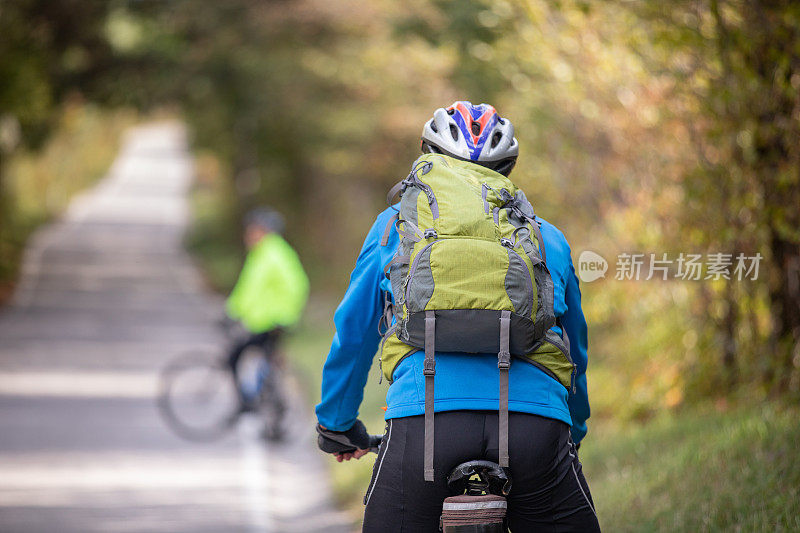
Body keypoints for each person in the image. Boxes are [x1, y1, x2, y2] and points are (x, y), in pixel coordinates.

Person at [315, 101, 600, 532]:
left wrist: (336, 422)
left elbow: (354, 332)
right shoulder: (546, 237)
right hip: (534, 426)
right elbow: (574, 348)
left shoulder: (394, 227)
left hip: (423, 423)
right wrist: (571, 428)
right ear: (506, 168)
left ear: (429, 156)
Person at [224, 208, 309, 408]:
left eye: (252, 230)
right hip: (275, 319)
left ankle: (249, 402)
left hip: (272, 320)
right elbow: (251, 290)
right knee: (265, 358)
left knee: (234, 356)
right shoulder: (272, 251)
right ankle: (264, 401)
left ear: (263, 231)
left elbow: (252, 289)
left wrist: (232, 312)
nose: (248, 235)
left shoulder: (268, 253)